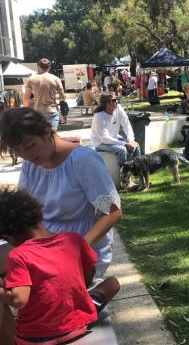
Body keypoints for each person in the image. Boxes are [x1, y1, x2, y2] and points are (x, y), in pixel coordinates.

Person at [0, 189, 121, 345]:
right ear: (38, 215)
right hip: (78, 323)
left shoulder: (18, 256)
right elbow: (87, 277)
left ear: (9, 237)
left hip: (36, 340)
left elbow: (19, 300)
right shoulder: (73, 240)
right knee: (112, 283)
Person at [0, 108, 122, 277]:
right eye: (18, 150)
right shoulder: (31, 164)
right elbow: (23, 208)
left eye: (30, 145)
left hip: (82, 246)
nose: (26, 155)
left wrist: (78, 249)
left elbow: (112, 213)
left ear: (46, 132)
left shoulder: (81, 160)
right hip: (47, 249)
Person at [91, 94, 140, 166]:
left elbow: (127, 125)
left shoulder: (118, 108)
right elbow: (105, 139)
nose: (116, 101)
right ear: (107, 104)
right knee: (121, 150)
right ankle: (123, 173)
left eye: (116, 99)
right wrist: (125, 144)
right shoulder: (99, 116)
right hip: (100, 143)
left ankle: (138, 171)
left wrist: (131, 140)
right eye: (114, 100)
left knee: (136, 146)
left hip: (113, 138)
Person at [22, 58, 66, 132]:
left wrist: (25, 112)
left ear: (38, 66)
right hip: (52, 112)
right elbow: (63, 97)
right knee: (52, 137)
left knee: (41, 137)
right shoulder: (56, 79)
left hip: (38, 113)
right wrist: (55, 96)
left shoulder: (31, 79)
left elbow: (26, 98)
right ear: (49, 67)